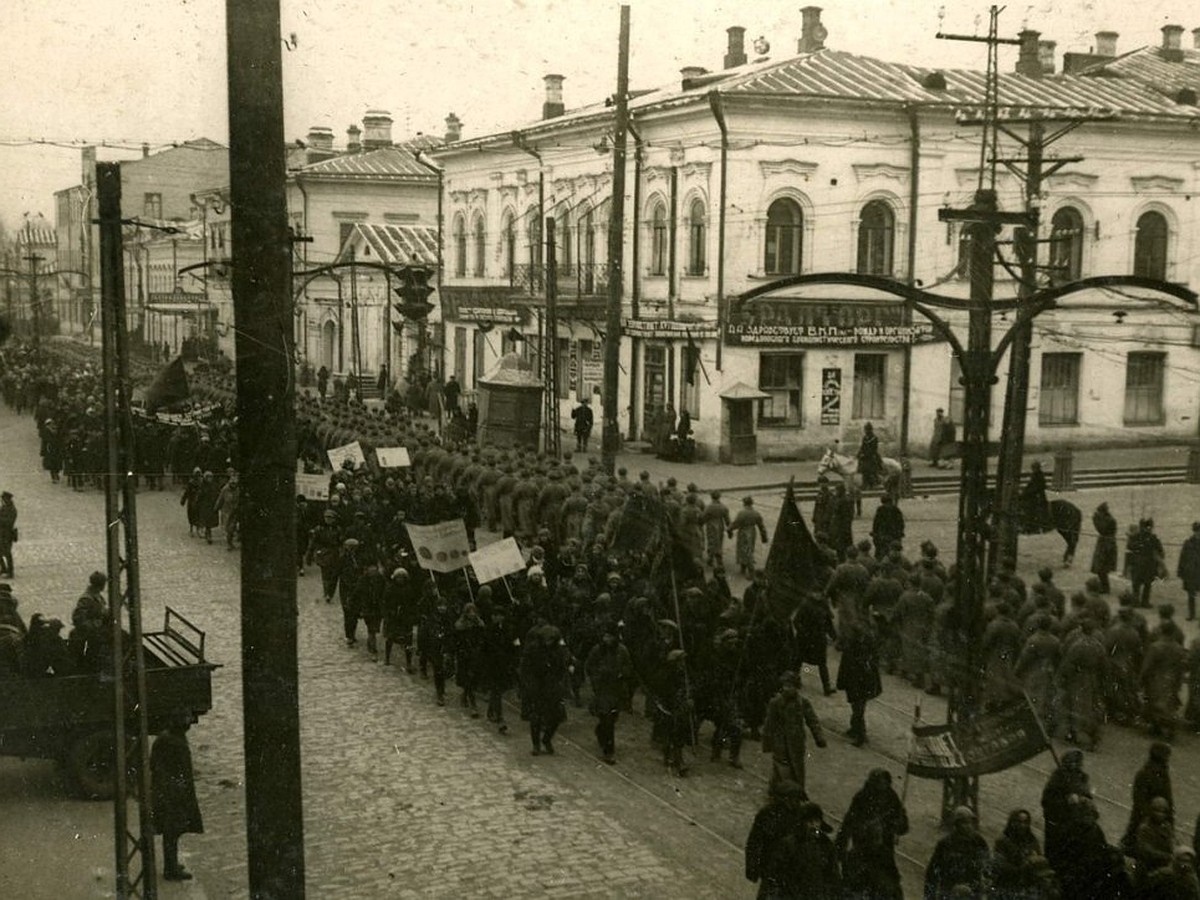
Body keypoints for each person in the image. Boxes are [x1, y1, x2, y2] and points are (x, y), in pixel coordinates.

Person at [835, 768, 908, 900]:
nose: (882, 788)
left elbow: (903, 827)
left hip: (883, 847)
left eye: (885, 784)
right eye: (878, 785)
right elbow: (848, 823)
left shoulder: (892, 798)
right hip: (863, 846)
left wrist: (899, 822)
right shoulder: (862, 797)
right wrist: (840, 848)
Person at [150, 713, 204, 882]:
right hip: (172, 793)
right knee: (172, 830)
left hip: (172, 790)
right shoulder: (171, 741)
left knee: (173, 830)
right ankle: (171, 868)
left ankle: (171, 864)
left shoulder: (170, 738)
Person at [761, 670, 827, 795]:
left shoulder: (802, 703)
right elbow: (769, 724)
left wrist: (819, 737)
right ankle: (782, 793)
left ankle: (790, 791)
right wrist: (767, 743)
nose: (786, 689)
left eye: (790, 686)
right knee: (782, 769)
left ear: (796, 687)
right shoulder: (775, 703)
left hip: (797, 743)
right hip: (781, 743)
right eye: (785, 686)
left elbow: (812, 720)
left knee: (797, 768)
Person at [745, 779, 809, 899]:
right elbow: (754, 842)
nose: (797, 803)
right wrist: (752, 867)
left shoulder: (801, 816)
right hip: (770, 867)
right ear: (785, 799)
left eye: (798, 800)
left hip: (792, 870)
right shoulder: (767, 814)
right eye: (794, 799)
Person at [584, 626, 633, 764]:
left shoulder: (622, 651)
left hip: (616, 689)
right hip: (602, 689)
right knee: (607, 720)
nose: (607, 639)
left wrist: (621, 673)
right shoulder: (597, 650)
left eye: (610, 636)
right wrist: (597, 677)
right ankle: (608, 752)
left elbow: (628, 667)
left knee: (612, 718)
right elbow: (589, 666)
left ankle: (600, 732)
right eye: (605, 636)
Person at [923, 806, 989, 899]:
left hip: (972, 890)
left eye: (970, 823)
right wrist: (930, 896)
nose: (968, 826)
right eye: (964, 823)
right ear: (957, 824)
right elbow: (932, 873)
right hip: (949, 889)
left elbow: (987, 866)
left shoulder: (978, 842)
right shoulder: (945, 844)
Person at [1122, 741, 1173, 854]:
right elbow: (1139, 799)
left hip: (1156, 813)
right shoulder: (1146, 774)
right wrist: (1152, 814)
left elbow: (1168, 796)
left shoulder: (1161, 773)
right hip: (1146, 815)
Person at [990, 809, 1053, 900]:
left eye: (1025, 822)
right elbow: (1000, 865)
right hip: (1009, 883)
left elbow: (1039, 858)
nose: (1022, 826)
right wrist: (1022, 868)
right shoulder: (1003, 841)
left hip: (1029, 881)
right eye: (1019, 822)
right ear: (1012, 823)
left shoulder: (1031, 840)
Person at [1129, 517, 1165, 608]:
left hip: (1138, 563)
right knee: (1147, 584)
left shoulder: (1135, 536)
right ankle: (1144, 602)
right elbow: (1160, 550)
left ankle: (1136, 601)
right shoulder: (1152, 537)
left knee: (1137, 584)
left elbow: (1130, 547)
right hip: (1148, 564)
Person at [729, 496, 769, 578]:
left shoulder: (742, 513)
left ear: (744, 503)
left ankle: (751, 570)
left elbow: (736, 523)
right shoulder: (756, 513)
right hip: (752, 531)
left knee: (744, 549)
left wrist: (729, 529)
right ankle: (743, 568)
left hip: (743, 532)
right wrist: (764, 536)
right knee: (749, 548)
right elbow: (761, 526)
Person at [1091, 502, 1119, 594]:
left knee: (1102, 567)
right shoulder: (1109, 519)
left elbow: (1101, 529)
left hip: (1106, 544)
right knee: (1102, 568)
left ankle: (1105, 588)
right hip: (1105, 543)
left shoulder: (1109, 520)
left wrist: (1095, 520)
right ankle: (1104, 586)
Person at [1177, 522, 1200, 621]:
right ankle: (1192, 614)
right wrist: (1180, 571)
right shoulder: (1188, 543)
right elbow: (1182, 557)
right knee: (1191, 595)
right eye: (1197, 531)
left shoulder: (1188, 543)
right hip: (1191, 573)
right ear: (1194, 531)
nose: (1198, 533)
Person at [870, 494, 904, 560]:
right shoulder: (896, 509)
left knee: (881, 551)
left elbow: (876, 523)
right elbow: (901, 522)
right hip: (894, 534)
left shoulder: (880, 509)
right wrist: (900, 532)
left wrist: (874, 532)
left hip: (883, 534)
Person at [1019, 461, 1050, 533]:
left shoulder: (1039, 475)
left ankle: (1033, 525)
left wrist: (1028, 493)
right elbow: (1029, 485)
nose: (1033, 469)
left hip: (1038, 496)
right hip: (1032, 495)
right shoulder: (1034, 475)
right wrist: (1023, 492)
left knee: (1031, 507)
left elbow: (1040, 486)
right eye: (1033, 468)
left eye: (1034, 468)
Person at [856, 422, 883, 488]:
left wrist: (865, 455)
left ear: (870, 430)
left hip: (872, 455)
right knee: (860, 463)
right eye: (865, 430)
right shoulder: (865, 438)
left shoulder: (874, 438)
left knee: (871, 465)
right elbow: (862, 447)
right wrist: (858, 454)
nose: (866, 431)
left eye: (867, 430)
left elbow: (873, 449)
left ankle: (875, 481)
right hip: (865, 455)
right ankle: (864, 482)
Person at [0, 491, 16, 578]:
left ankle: (10, 571)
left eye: (3, 499)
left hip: (7, 534)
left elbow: (9, 522)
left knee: (7, 553)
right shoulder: (4, 507)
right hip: (1, 533)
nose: (2, 500)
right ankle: (3, 568)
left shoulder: (12, 509)